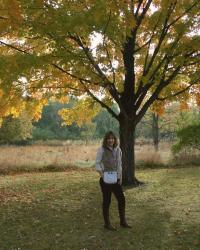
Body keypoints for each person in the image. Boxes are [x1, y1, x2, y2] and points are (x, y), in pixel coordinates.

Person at [95, 131, 131, 231]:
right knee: (107, 201)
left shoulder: (118, 149)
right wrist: (102, 175)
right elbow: (97, 163)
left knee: (121, 199)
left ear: (115, 139)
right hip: (105, 180)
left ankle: (123, 222)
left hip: (116, 179)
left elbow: (119, 164)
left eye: (112, 138)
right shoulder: (101, 150)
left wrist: (121, 177)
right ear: (106, 140)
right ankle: (107, 224)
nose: (110, 140)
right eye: (108, 138)